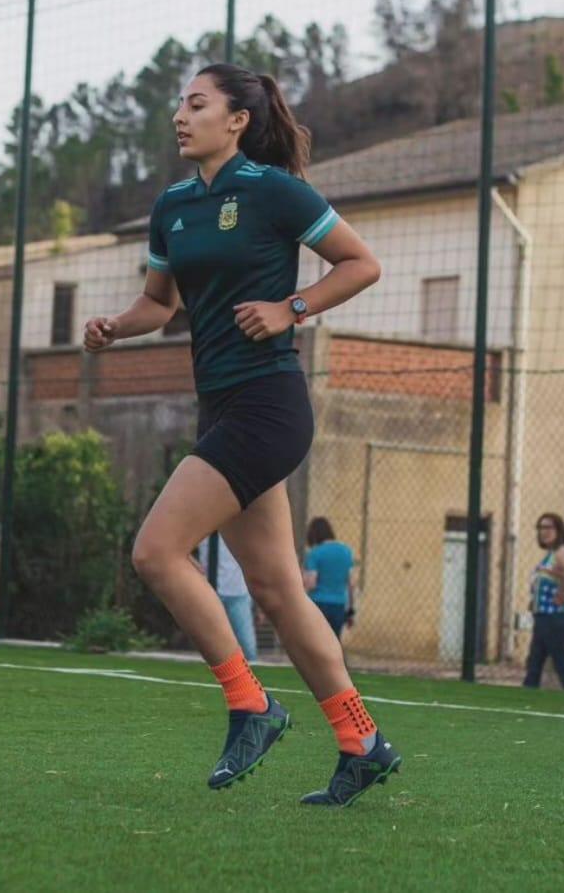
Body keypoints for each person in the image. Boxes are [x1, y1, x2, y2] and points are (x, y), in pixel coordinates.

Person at [83, 62, 399, 807]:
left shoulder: (271, 190)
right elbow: (159, 305)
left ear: (236, 120)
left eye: (197, 103)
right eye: (179, 105)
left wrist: (292, 306)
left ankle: (251, 703)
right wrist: (113, 329)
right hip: (220, 407)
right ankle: (362, 741)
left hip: (268, 405)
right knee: (278, 591)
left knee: (157, 550)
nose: (180, 116)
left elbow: (361, 263)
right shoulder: (172, 208)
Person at [523, 512, 564, 690]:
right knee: (535, 659)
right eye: (541, 527)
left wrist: (562, 592)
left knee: (559, 658)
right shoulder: (550, 554)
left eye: (548, 527)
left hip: (554, 616)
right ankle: (528, 691)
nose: (544, 531)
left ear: (558, 530)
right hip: (543, 615)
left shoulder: (560, 552)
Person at [195, 533, 258, 662]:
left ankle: (250, 680)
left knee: (248, 648)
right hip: (207, 593)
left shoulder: (236, 525)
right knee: (211, 648)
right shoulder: (201, 525)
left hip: (237, 593)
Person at [303, 517, 356, 640]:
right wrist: (351, 611)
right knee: (334, 643)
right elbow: (351, 583)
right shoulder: (346, 551)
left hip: (318, 603)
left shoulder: (314, 553)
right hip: (339, 605)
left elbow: (311, 583)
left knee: (315, 642)